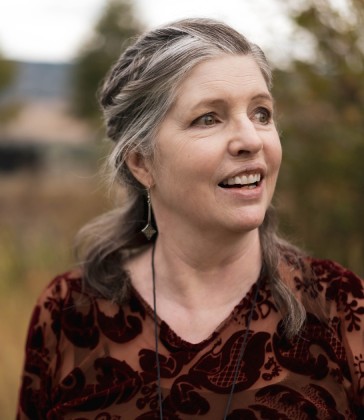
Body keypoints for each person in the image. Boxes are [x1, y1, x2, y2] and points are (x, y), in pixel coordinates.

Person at [17, 18, 363, 419]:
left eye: (261, 113)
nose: (251, 139)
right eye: (209, 119)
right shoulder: (68, 316)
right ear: (141, 162)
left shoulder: (341, 307)